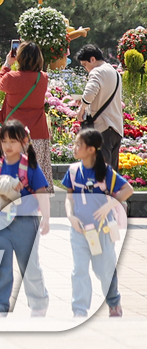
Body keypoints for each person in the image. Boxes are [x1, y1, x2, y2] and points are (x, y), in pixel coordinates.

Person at [0, 119, 51, 316]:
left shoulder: (30, 166)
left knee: (29, 266)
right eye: (4, 141)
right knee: (0, 264)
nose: (8, 145)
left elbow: (41, 192)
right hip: (0, 221)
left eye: (13, 141)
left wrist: (46, 218)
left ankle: (38, 303)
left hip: (26, 222)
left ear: (24, 141)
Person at [63, 127, 130, 317]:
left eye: (79, 144)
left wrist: (109, 206)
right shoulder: (73, 171)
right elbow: (69, 198)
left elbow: (128, 189)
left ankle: (113, 302)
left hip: (103, 230)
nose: (74, 147)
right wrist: (71, 216)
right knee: (79, 269)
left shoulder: (105, 172)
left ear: (91, 149)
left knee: (104, 270)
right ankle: (79, 310)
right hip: (79, 230)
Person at [0, 41, 51, 171]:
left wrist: (8, 63)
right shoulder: (43, 78)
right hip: (38, 133)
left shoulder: (11, 77)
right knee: (36, 174)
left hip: (14, 134)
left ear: (19, 57)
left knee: (14, 174)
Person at [74, 45, 123, 172]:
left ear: (92, 59)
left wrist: (82, 109)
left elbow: (90, 92)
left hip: (103, 127)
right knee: (112, 173)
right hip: (116, 128)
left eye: (85, 65)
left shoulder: (97, 71)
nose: (86, 69)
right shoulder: (114, 72)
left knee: (100, 172)